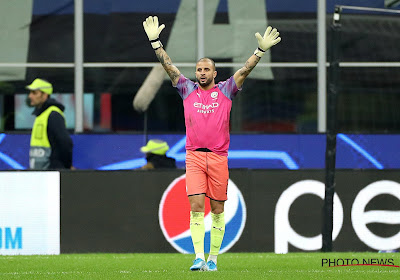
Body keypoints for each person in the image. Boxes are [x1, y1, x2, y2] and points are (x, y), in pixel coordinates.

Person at [143, 16, 281, 271]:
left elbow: (245, 70)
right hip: (194, 156)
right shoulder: (186, 89)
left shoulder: (227, 90)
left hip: (218, 157)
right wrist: (155, 42)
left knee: (217, 209)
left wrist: (260, 51)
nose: (202, 73)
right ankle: (197, 257)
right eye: (199, 69)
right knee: (196, 206)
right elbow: (169, 66)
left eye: (206, 69)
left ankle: (213, 259)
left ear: (214, 73)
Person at [26, 78, 73, 170]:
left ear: (45, 95)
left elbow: (65, 142)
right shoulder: (41, 115)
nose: (30, 96)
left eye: (34, 93)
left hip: (51, 172)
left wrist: (64, 166)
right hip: (41, 172)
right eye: (30, 93)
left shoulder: (53, 115)